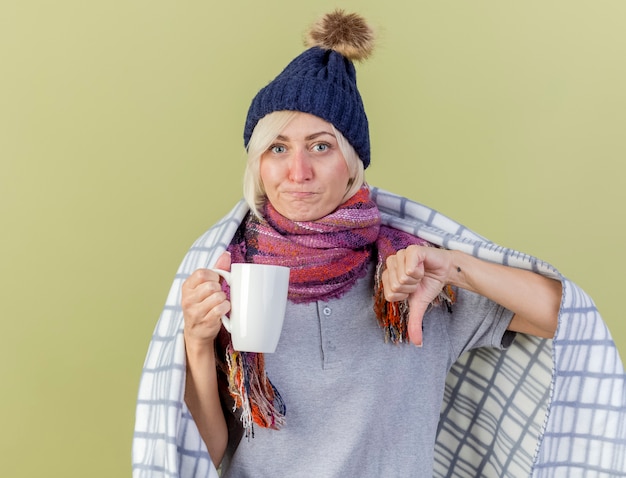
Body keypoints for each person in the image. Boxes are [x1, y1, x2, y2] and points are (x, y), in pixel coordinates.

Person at [132, 10, 626, 478]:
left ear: (351, 161)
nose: (296, 171)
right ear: (258, 163)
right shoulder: (230, 273)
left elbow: (564, 319)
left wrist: (451, 267)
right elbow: (212, 451)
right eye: (277, 148)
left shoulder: (411, 275)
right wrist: (197, 344)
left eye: (320, 147)